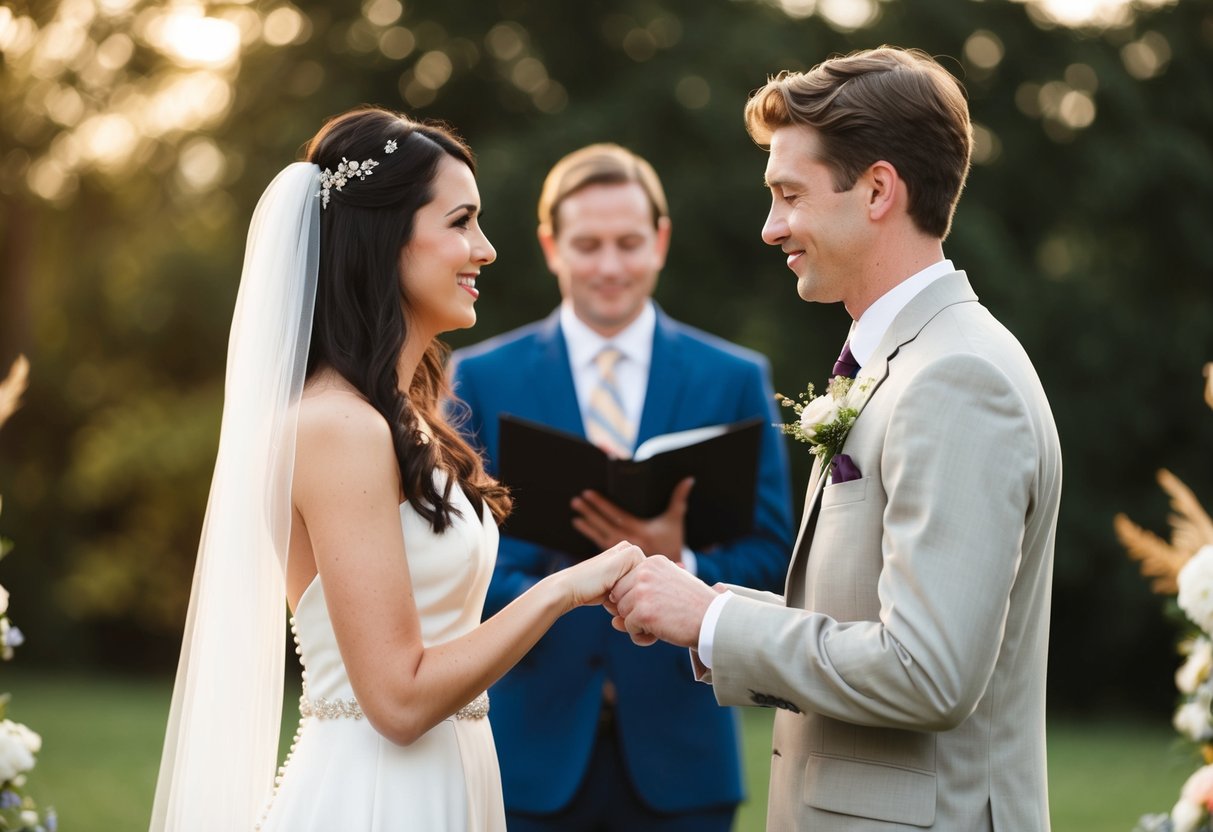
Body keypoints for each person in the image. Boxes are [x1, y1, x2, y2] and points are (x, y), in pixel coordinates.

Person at [149, 107, 644, 832]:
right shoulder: (335, 427)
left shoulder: (403, 419)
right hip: (373, 799)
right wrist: (563, 590)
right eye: (461, 221)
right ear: (385, 238)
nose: (486, 248)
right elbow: (399, 700)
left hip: (448, 780)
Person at [609, 47, 1062, 831]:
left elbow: (926, 673)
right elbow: (868, 618)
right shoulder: (904, 359)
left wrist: (713, 625)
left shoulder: (958, 379)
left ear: (879, 190)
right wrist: (707, 603)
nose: (769, 227)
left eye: (789, 195)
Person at [449, 143, 793, 831]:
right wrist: (576, 587)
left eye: (629, 243)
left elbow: (775, 554)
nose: (609, 266)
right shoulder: (480, 377)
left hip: (682, 760)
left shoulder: (732, 377)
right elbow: (458, 562)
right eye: (588, 244)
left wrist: (680, 566)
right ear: (551, 245)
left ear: (660, 241)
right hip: (526, 754)